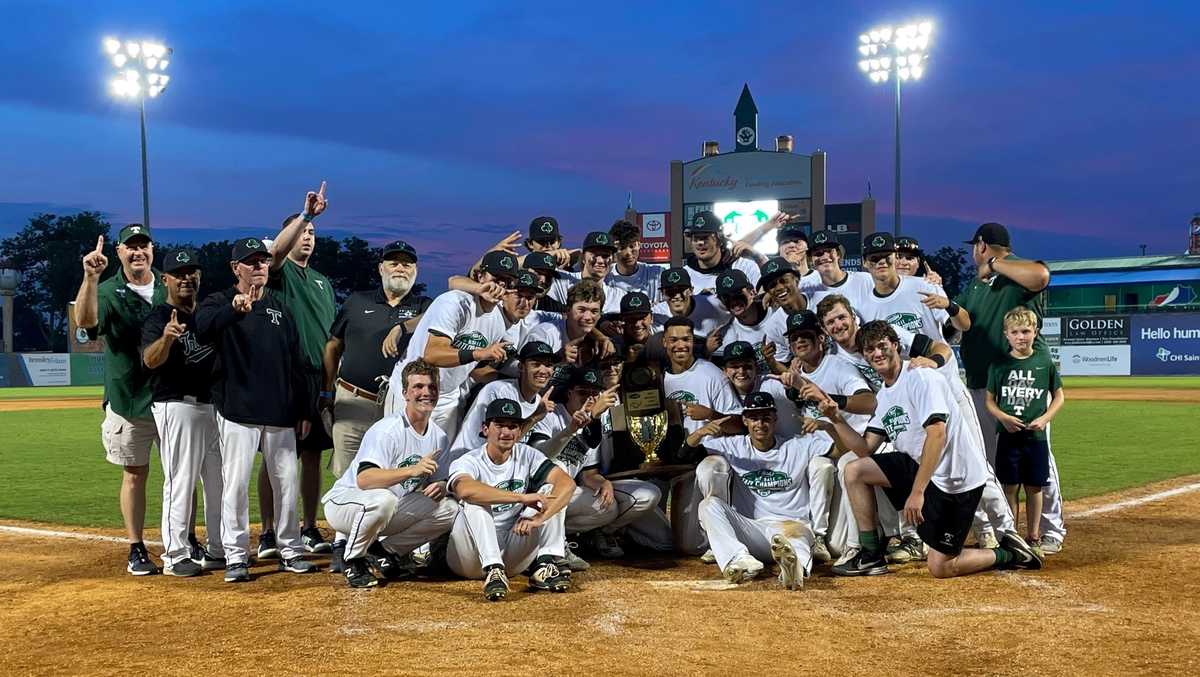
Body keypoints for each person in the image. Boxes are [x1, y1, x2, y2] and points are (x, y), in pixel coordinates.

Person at [822, 321, 1042, 578]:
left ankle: (1009, 553)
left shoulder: (921, 377)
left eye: (882, 346)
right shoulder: (885, 395)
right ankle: (871, 555)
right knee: (854, 470)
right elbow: (864, 448)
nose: (877, 353)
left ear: (895, 345)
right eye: (869, 349)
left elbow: (937, 434)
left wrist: (917, 492)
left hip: (955, 481)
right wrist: (835, 418)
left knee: (941, 566)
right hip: (923, 469)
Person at [194, 237, 318, 583]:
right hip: (238, 410)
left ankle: (290, 550)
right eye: (251, 262)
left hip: (281, 412)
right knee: (234, 484)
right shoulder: (219, 302)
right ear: (236, 269)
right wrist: (232, 310)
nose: (259, 266)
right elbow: (202, 330)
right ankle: (236, 555)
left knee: (287, 484)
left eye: (263, 261)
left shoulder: (281, 308)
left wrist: (305, 409)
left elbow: (298, 363)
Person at [955, 222, 1066, 554]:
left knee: (1037, 459)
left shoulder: (1013, 274)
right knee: (989, 461)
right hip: (981, 383)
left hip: (1021, 381)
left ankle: (1051, 530)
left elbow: (1041, 277)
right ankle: (999, 528)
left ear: (982, 246)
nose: (973, 253)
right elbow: (962, 319)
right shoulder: (975, 286)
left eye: (975, 247)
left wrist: (997, 264)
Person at [322, 239, 432, 571]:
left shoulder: (423, 305)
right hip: (354, 398)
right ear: (381, 268)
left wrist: (404, 326)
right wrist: (327, 393)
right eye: (394, 263)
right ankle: (343, 544)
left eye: (408, 264)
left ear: (416, 271)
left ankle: (378, 544)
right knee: (347, 473)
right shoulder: (357, 302)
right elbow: (333, 347)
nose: (401, 268)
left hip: (397, 408)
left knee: (394, 476)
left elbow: (440, 311)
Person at [73, 224, 166, 575]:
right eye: (131, 247)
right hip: (128, 399)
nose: (138, 252)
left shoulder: (170, 285)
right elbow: (85, 322)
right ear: (119, 253)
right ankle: (136, 547)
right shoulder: (108, 290)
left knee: (181, 474)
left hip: (172, 399)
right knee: (134, 474)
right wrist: (91, 278)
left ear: (153, 250)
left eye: (143, 245)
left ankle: (185, 538)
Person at [321, 360, 460, 588]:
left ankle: (385, 551)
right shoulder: (387, 430)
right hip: (345, 505)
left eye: (431, 387)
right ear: (405, 393)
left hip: (385, 510)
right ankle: (353, 560)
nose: (426, 392)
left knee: (449, 508)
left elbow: (440, 480)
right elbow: (365, 479)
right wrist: (412, 470)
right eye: (418, 387)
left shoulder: (439, 436)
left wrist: (443, 486)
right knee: (384, 499)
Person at [259, 182, 335, 559]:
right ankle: (269, 531)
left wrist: (329, 383)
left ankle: (308, 526)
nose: (307, 237)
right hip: (283, 376)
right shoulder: (278, 272)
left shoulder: (323, 282)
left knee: (312, 455)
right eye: (302, 232)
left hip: (316, 377)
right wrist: (305, 214)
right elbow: (272, 253)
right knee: (275, 454)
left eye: (312, 233)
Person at [685, 392, 826, 590]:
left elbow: (842, 450)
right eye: (754, 418)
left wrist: (830, 425)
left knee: (798, 540)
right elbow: (684, 455)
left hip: (792, 524)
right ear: (744, 420)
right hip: (751, 529)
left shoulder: (798, 444)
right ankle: (739, 560)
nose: (760, 424)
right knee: (708, 505)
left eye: (766, 418)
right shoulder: (732, 445)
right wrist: (698, 434)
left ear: (775, 419)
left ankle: (795, 570)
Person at [140, 248, 224, 577]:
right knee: (181, 481)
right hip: (177, 404)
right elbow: (149, 361)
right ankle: (175, 555)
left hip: (214, 406)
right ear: (166, 280)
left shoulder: (206, 315)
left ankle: (218, 548)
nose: (186, 277)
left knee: (219, 481)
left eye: (192, 272)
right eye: (179, 272)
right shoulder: (159, 318)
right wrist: (166, 339)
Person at [445, 398, 576, 601]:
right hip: (469, 556)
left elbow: (567, 484)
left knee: (552, 487)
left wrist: (541, 518)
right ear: (485, 429)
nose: (506, 432)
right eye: (499, 425)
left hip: (512, 553)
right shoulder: (468, 460)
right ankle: (493, 569)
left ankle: (545, 563)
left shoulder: (527, 455)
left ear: (519, 430)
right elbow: (465, 490)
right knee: (476, 500)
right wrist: (522, 498)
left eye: (513, 426)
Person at [386, 250, 516, 442]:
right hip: (410, 389)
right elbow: (431, 355)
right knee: (402, 459)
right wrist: (479, 353)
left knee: (438, 466)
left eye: (507, 282)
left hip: (447, 397)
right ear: (480, 277)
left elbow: (472, 369)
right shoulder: (455, 302)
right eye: (496, 278)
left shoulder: (498, 320)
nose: (499, 286)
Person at [986, 307, 1065, 553]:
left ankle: (1033, 537)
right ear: (1006, 335)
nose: (1021, 336)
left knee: (1034, 487)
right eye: (1016, 332)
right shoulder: (999, 364)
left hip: (1036, 437)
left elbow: (1059, 396)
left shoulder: (1044, 362)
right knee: (1009, 486)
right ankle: (1012, 536)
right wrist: (1003, 417)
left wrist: (1044, 419)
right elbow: (990, 400)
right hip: (1009, 436)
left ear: (1035, 333)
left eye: (1026, 331)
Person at [710, 269, 791, 371]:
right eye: (726, 297)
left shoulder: (777, 312)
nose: (733, 300)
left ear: (752, 292)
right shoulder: (725, 335)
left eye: (737, 293)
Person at [682, 211, 763, 292]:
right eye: (695, 238)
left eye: (705, 237)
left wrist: (760, 258)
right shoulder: (684, 275)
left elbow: (766, 296)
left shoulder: (743, 266)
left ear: (720, 240)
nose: (700, 243)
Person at [607, 219, 663, 299]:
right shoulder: (606, 276)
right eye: (622, 247)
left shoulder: (656, 273)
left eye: (632, 246)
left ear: (639, 245)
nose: (628, 253)